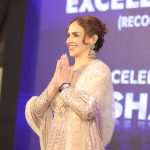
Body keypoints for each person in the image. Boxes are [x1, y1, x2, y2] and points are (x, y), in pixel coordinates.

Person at [25, 15, 115, 150]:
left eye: (75, 35)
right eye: (68, 35)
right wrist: (55, 85)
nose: (69, 40)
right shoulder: (65, 72)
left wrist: (64, 86)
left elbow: (86, 110)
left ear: (92, 39)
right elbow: (36, 111)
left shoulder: (99, 70)